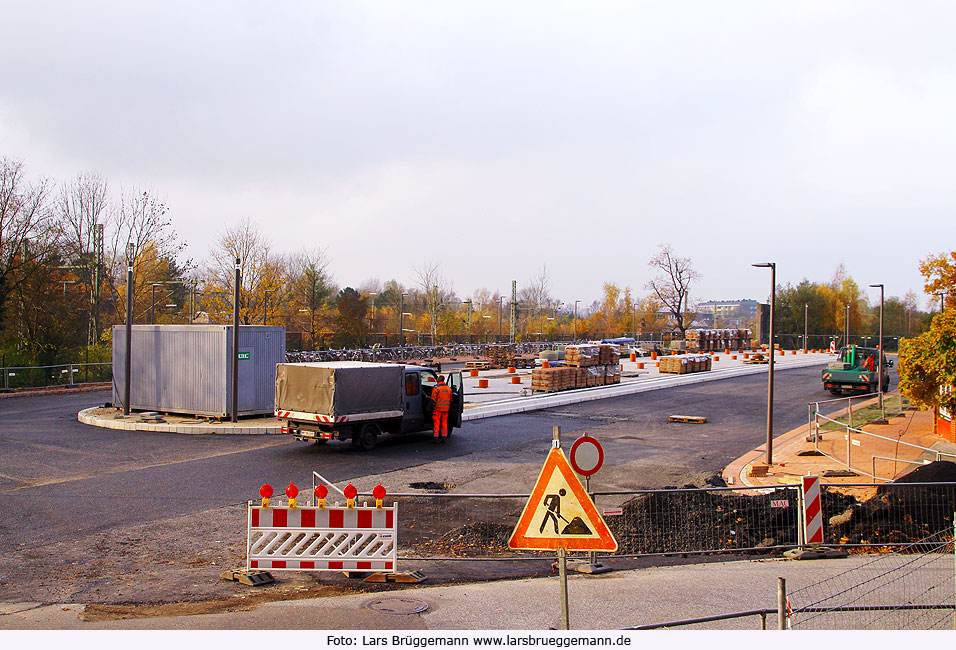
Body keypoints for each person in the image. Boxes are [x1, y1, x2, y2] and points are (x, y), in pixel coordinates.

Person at [430, 374, 453, 443]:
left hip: (438, 409)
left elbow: (433, 399)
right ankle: (444, 437)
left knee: (437, 423)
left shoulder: (436, 388)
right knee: (444, 423)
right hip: (446, 409)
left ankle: (436, 437)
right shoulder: (448, 389)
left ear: (439, 379)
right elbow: (451, 399)